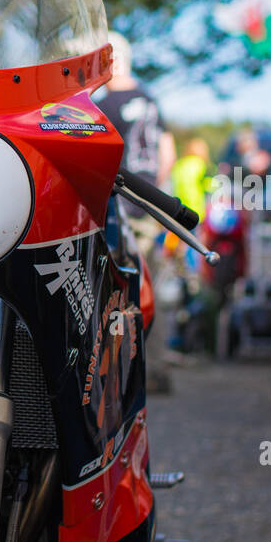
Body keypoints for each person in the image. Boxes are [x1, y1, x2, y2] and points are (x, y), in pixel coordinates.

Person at [97, 31, 174, 393]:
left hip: (122, 207)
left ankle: (123, 378)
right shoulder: (150, 99)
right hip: (150, 203)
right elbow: (167, 152)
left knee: (117, 293)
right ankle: (155, 369)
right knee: (148, 288)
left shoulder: (107, 104)